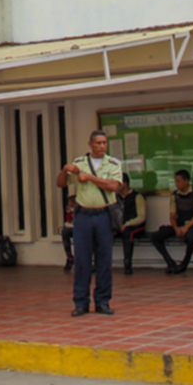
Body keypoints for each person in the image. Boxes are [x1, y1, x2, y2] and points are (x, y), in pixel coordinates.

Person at [56, 129, 123, 316]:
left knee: (104, 260)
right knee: (82, 260)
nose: (102, 146)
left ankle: (102, 301)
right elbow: (61, 183)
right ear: (90, 144)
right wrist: (65, 170)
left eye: (104, 143)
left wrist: (90, 178)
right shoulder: (80, 163)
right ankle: (81, 302)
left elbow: (114, 186)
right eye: (98, 143)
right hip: (83, 215)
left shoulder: (113, 163)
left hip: (104, 215)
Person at [150, 169, 193, 274]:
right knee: (155, 236)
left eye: (179, 181)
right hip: (179, 224)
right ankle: (170, 262)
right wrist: (176, 228)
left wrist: (187, 227)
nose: (176, 184)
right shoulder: (174, 195)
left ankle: (184, 264)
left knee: (191, 238)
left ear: (186, 181)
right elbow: (172, 216)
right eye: (176, 181)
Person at [117, 184, 147, 275]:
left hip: (136, 226)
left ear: (125, 184)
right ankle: (97, 263)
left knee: (128, 233)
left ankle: (127, 263)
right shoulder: (116, 198)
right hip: (120, 226)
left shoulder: (137, 197)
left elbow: (141, 217)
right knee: (102, 232)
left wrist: (127, 224)